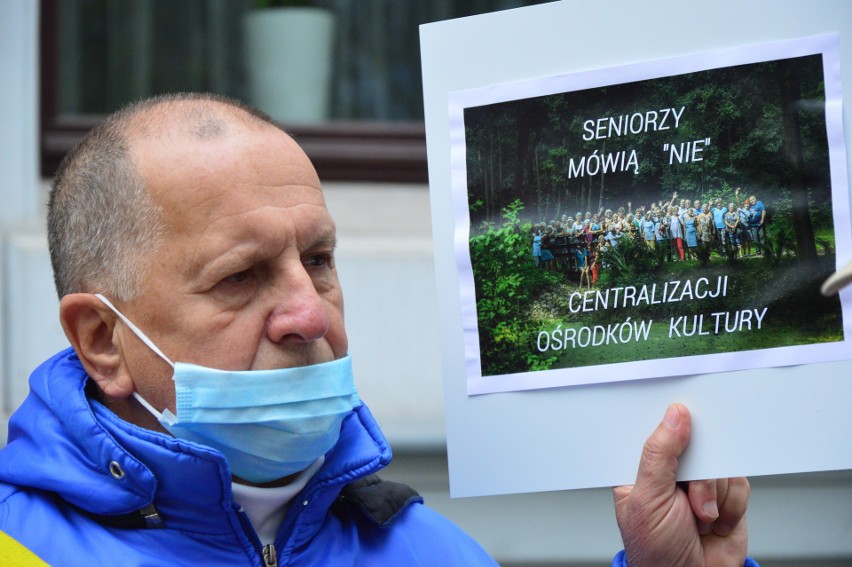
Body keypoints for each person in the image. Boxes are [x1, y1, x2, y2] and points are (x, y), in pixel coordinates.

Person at [0, 94, 753, 566]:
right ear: (103, 338)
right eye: (239, 277)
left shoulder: (435, 552)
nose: (310, 314)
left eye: (319, 259)